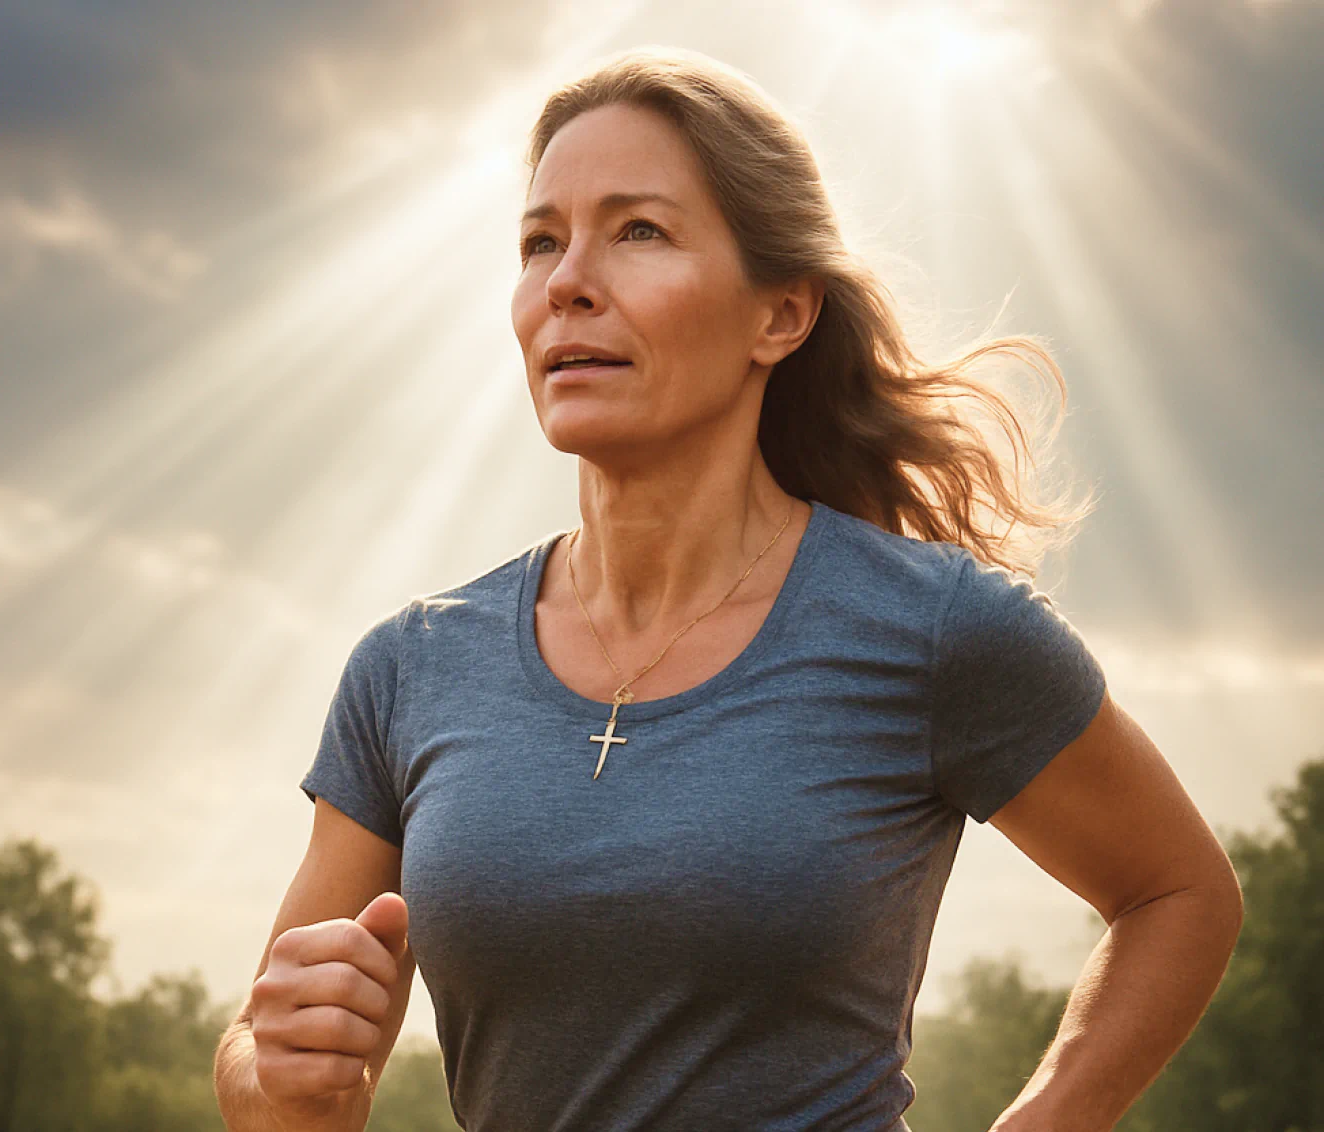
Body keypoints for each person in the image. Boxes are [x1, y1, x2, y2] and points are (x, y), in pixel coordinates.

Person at [214, 45, 1244, 1132]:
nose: (567, 281)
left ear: (781, 315)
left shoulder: (934, 627)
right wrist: (287, 1078)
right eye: (541, 241)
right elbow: (257, 1064)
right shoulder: (410, 668)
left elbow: (1179, 893)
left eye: (638, 232)